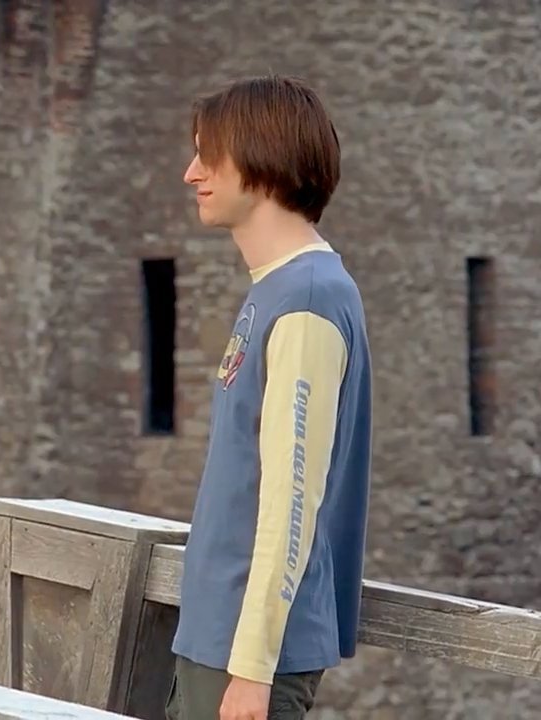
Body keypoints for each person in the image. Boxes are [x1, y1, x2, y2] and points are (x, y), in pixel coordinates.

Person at [167, 76, 373, 720]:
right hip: (216, 641)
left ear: (262, 159)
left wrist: (252, 673)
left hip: (249, 663)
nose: (191, 172)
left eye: (208, 154)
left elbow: (291, 502)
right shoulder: (278, 290)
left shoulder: (307, 300)